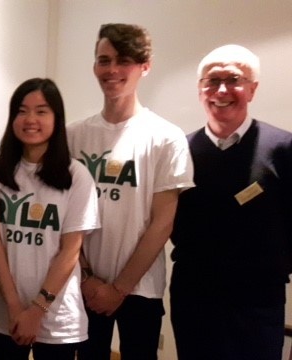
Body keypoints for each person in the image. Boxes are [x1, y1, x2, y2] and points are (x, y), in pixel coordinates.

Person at [66, 23, 194, 360]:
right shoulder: (74, 136)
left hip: (140, 289)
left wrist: (118, 288)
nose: (112, 70)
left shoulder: (166, 137)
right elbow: (65, 216)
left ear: (145, 66)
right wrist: (88, 277)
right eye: (103, 60)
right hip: (84, 285)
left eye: (123, 60)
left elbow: (162, 223)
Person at [170, 44, 292, 360]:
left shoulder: (283, 148)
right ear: (200, 90)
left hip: (259, 302)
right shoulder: (178, 152)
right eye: (211, 80)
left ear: (252, 89)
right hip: (195, 298)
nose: (221, 89)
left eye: (234, 79)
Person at [0, 78, 100, 360]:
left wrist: (37, 310)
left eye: (41, 111)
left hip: (57, 315)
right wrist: (14, 306)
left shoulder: (77, 176)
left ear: (57, 119)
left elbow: (71, 250)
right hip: (4, 309)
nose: (30, 119)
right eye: (22, 111)